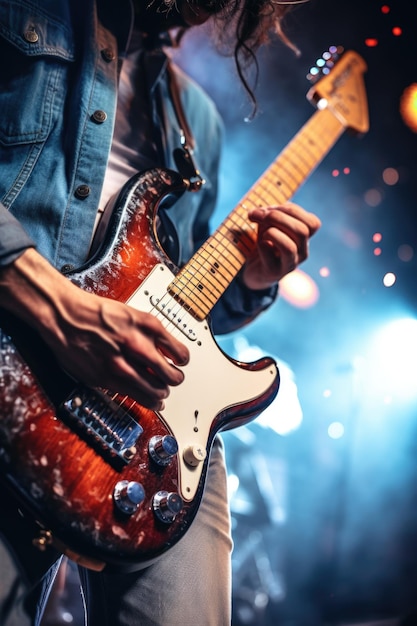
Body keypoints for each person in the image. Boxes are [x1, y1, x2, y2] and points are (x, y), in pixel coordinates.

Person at [0, 1, 321, 624]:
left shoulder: (195, 119)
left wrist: (252, 279)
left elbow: (187, 309)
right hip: (17, 350)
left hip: (153, 427)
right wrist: (60, 309)